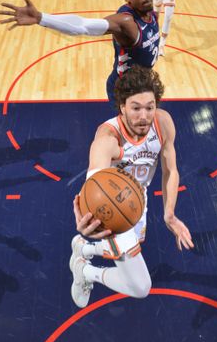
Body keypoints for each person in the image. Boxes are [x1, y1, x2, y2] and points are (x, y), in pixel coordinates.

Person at [68, 66, 194, 308]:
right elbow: (95, 174)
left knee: (133, 244)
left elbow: (171, 170)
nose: (144, 115)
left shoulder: (163, 123)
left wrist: (169, 213)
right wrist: (88, 214)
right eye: (136, 108)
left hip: (137, 202)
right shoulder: (108, 136)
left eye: (150, 106)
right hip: (112, 211)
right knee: (140, 286)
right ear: (122, 107)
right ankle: (84, 270)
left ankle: (84, 249)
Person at [0, 0, 161, 101]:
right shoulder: (126, 22)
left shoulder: (152, 14)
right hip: (125, 89)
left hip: (143, 82)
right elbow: (83, 25)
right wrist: (42, 18)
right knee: (130, 137)